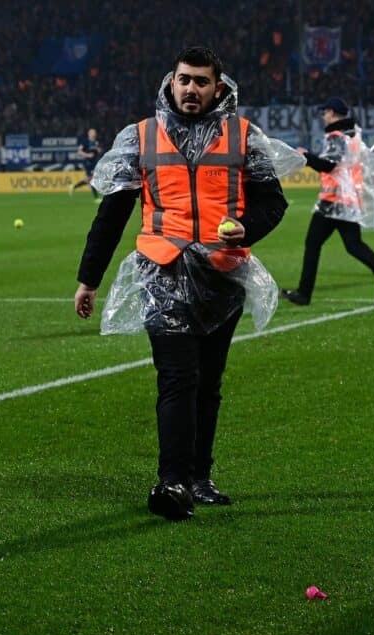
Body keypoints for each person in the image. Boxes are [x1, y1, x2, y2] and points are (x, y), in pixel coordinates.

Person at [73, 47, 290, 521]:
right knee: (177, 378)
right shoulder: (140, 137)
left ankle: (199, 477)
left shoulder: (244, 136)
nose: (191, 89)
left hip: (222, 274)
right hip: (163, 272)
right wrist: (88, 279)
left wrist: (244, 228)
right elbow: (111, 213)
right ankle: (171, 481)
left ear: (219, 88)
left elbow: (273, 203)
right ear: (171, 82)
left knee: (209, 383)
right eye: (184, 80)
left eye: (201, 82)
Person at [281, 97, 374, 306]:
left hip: (334, 198)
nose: (323, 117)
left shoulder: (336, 136)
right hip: (347, 198)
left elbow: (328, 165)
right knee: (353, 245)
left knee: (313, 243)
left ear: (333, 113)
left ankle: (304, 293)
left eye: (324, 112)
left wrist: (305, 155)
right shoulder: (352, 135)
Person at [70, 127, 102, 200]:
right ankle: (96, 198)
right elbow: (79, 152)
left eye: (94, 132)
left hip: (94, 162)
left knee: (89, 179)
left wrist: (98, 150)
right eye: (92, 132)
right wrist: (88, 155)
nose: (94, 134)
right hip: (88, 163)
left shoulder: (96, 142)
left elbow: (98, 151)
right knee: (93, 179)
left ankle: (74, 187)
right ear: (89, 133)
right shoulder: (85, 142)